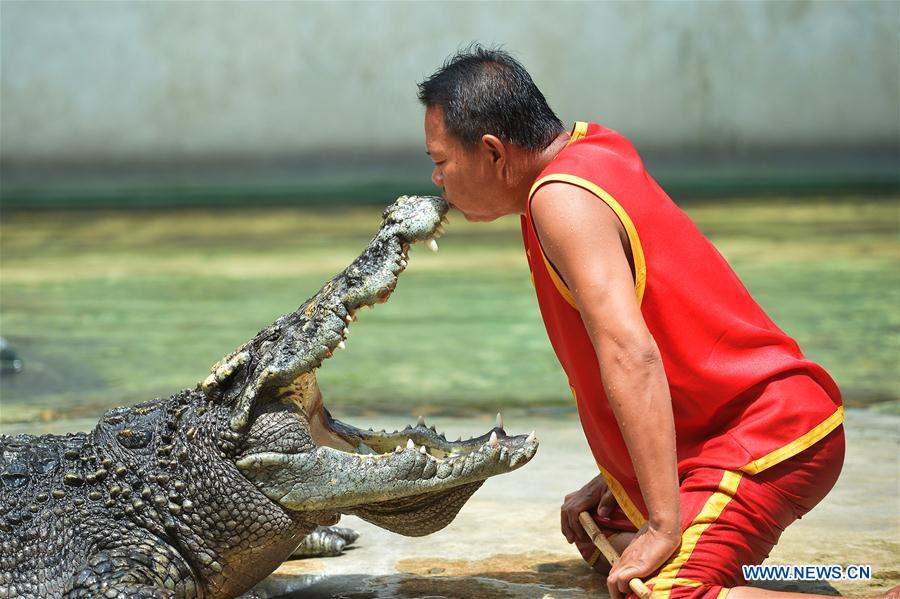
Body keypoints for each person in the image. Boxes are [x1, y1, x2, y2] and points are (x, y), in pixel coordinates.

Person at [416, 45, 873, 599]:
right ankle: (807, 585)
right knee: (604, 532)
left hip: (767, 432)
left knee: (664, 593)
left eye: (441, 161)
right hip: (735, 429)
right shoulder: (589, 150)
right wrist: (609, 479)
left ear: (492, 152)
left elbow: (631, 353)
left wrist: (662, 524)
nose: (437, 177)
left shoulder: (559, 199)